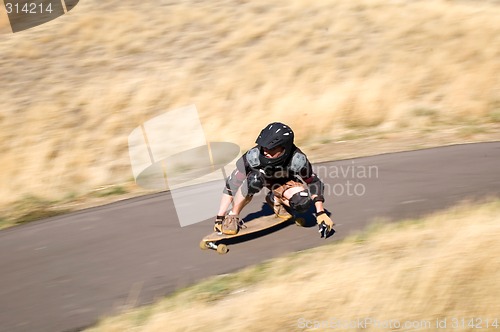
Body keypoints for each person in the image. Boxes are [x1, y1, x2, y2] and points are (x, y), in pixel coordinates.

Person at [214, 122, 334, 238]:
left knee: (303, 202)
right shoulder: (252, 157)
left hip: (284, 183)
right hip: (258, 179)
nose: (265, 151)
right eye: (264, 147)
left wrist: (320, 213)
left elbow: (313, 182)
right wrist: (220, 217)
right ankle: (233, 216)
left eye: (271, 149)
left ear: (284, 149)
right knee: (254, 181)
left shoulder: (297, 160)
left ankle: (275, 199)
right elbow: (231, 186)